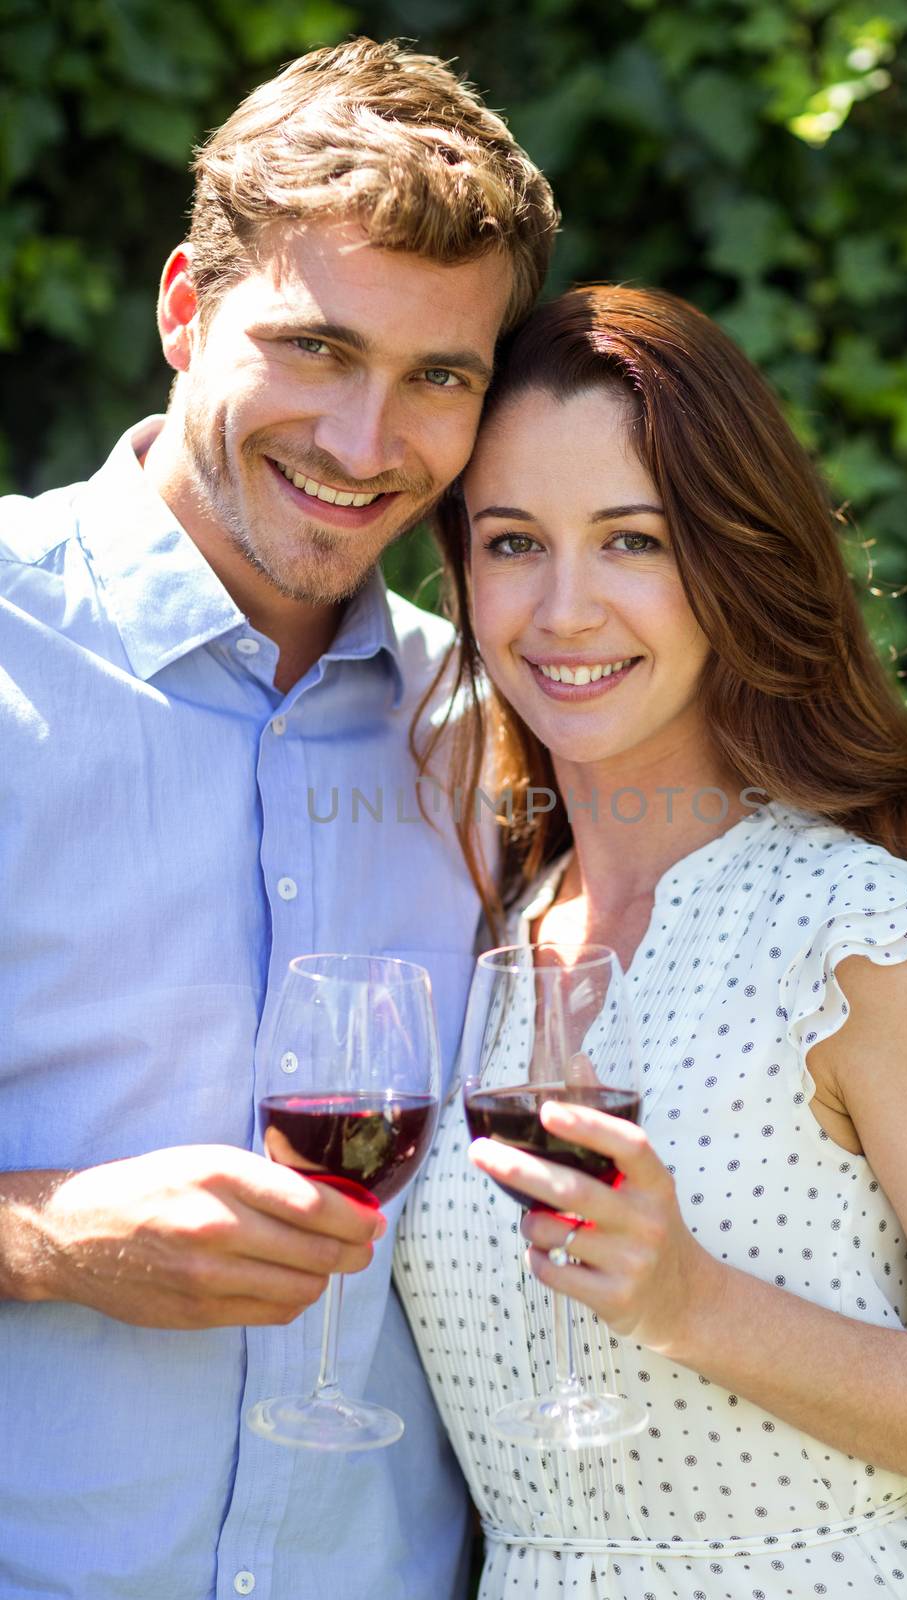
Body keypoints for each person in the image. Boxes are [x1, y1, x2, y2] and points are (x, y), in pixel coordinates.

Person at [393, 285, 907, 1599]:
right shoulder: (482, 944)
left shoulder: (859, 938)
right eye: (515, 541)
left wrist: (696, 1307)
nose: (566, 608)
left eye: (633, 541)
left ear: (729, 564)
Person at [0, 37, 556, 1600]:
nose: (367, 445)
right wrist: (41, 1238)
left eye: (439, 377)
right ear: (185, 307)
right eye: (315, 348)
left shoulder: (504, 727)